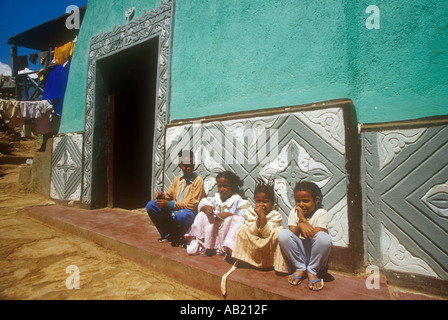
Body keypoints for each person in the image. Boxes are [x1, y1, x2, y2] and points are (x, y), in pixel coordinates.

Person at [278, 181, 332, 291]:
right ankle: (300, 268)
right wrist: (300, 225)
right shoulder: (294, 212)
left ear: (316, 200)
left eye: (306, 201)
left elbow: (316, 234)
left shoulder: (321, 213)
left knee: (324, 238)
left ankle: (312, 270)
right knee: (283, 234)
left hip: (315, 254)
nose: (301, 204)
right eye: (298, 201)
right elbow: (292, 234)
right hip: (300, 254)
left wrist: (302, 220)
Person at [146, 150, 205, 247]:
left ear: (194, 165)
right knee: (151, 205)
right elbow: (169, 195)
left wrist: (170, 204)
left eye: (191, 165)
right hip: (174, 214)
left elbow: (191, 205)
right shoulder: (177, 179)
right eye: (185, 165)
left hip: (187, 216)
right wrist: (162, 196)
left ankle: (180, 236)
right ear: (180, 165)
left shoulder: (198, 181)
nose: (189, 168)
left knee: (184, 214)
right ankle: (168, 235)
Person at [185, 171, 252, 256]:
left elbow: (244, 217)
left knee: (236, 220)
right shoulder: (215, 199)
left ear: (233, 187)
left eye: (225, 186)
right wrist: (205, 208)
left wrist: (228, 215)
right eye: (219, 186)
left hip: (226, 230)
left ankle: (227, 248)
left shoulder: (237, 201)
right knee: (202, 214)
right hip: (214, 229)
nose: (221, 189)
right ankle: (207, 245)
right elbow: (203, 207)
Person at [232, 178, 289, 273]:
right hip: (253, 240)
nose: (261, 204)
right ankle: (245, 259)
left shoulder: (275, 215)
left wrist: (262, 217)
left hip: (267, 243)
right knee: (242, 228)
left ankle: (272, 264)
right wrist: (258, 218)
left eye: (265, 201)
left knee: (280, 230)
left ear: (272, 202)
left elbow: (267, 234)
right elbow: (253, 231)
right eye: (258, 201)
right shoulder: (250, 213)